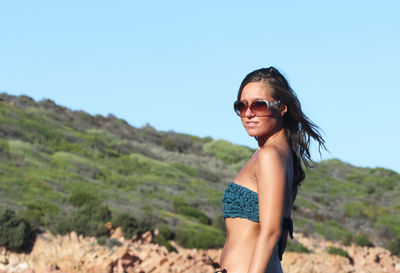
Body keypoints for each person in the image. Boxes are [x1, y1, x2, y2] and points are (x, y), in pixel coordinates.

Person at [217, 67, 326, 273]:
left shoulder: (270, 156)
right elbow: (281, 236)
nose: (248, 113)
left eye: (259, 105)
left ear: (282, 107)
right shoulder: (282, 155)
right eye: (242, 106)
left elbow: (271, 233)